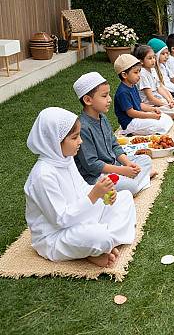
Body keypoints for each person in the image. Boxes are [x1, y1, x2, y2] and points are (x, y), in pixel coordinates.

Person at [24, 107, 136, 267]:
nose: (80, 141)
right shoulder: (43, 176)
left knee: (125, 197)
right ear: (55, 142)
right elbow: (60, 220)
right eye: (75, 137)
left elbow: (82, 189)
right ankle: (99, 246)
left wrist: (104, 194)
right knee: (99, 236)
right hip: (57, 234)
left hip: (81, 218)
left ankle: (99, 248)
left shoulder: (65, 158)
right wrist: (93, 196)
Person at [73, 72, 154, 196]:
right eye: (104, 96)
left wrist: (127, 163)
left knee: (145, 159)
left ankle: (139, 180)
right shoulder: (82, 127)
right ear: (88, 100)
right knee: (130, 186)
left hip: (114, 165)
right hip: (96, 176)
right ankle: (140, 181)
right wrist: (122, 170)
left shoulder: (103, 118)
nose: (110, 99)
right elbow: (92, 165)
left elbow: (114, 145)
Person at [113, 53, 173, 135]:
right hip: (130, 123)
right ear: (124, 75)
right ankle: (132, 132)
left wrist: (152, 110)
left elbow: (140, 104)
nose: (139, 75)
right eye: (135, 72)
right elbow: (131, 113)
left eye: (139, 72)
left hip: (138, 118)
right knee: (160, 124)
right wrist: (151, 116)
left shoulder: (133, 86)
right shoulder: (123, 92)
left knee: (166, 118)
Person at [134, 44, 174, 118]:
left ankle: (166, 113)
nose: (153, 60)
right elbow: (150, 98)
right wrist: (165, 104)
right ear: (141, 61)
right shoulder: (143, 74)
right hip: (151, 105)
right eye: (150, 58)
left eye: (154, 57)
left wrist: (170, 99)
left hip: (159, 100)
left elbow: (160, 87)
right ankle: (156, 115)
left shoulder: (153, 70)